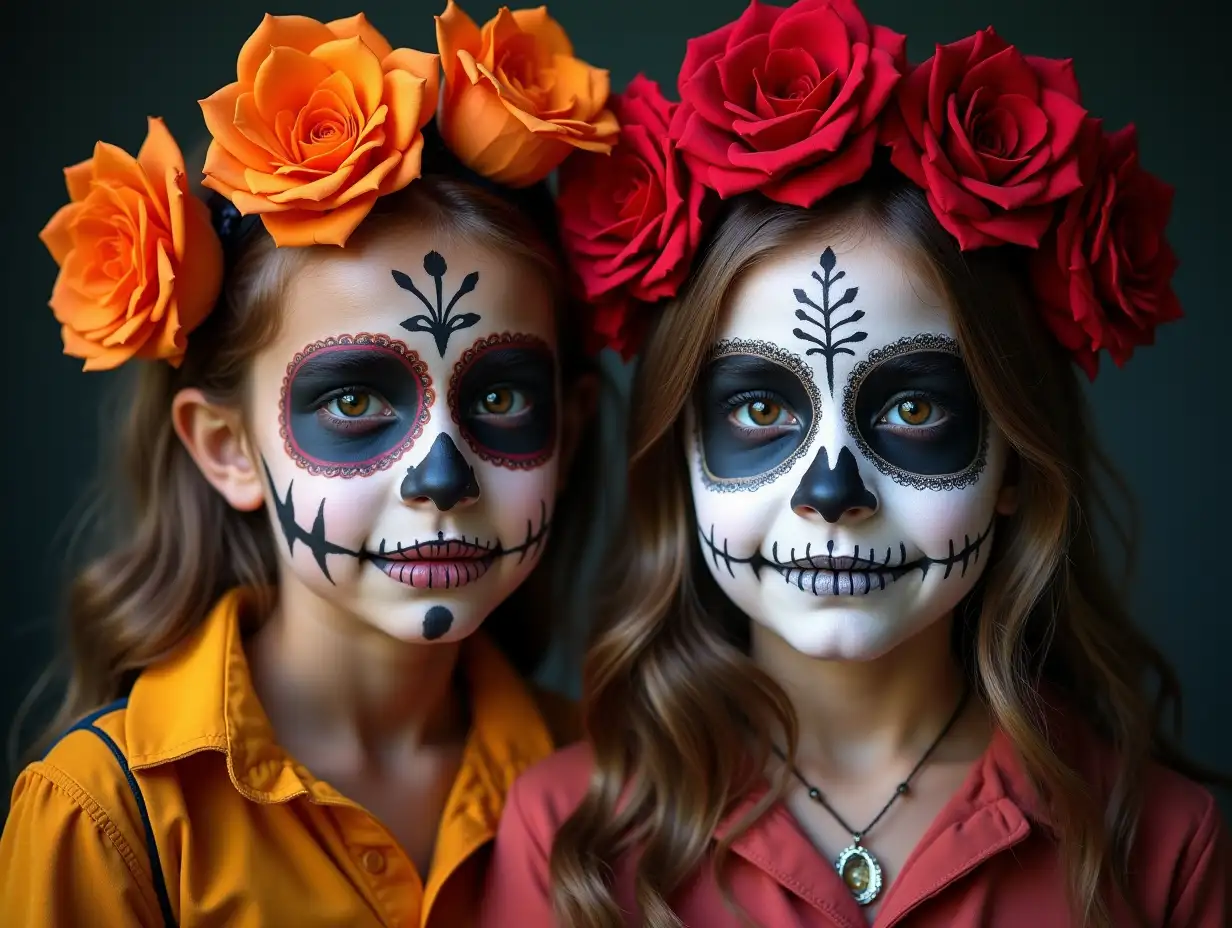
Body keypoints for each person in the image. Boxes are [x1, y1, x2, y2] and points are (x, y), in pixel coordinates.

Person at [480, 1, 1231, 925]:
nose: (831, 493)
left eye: (914, 409)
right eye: (760, 408)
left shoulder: (1158, 843)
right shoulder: (571, 833)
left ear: (1016, 467)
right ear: (684, 452)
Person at [1, 6, 619, 926]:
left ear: (566, 433)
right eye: (355, 401)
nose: (440, 477)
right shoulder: (110, 818)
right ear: (227, 448)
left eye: (497, 399)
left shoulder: (613, 789)